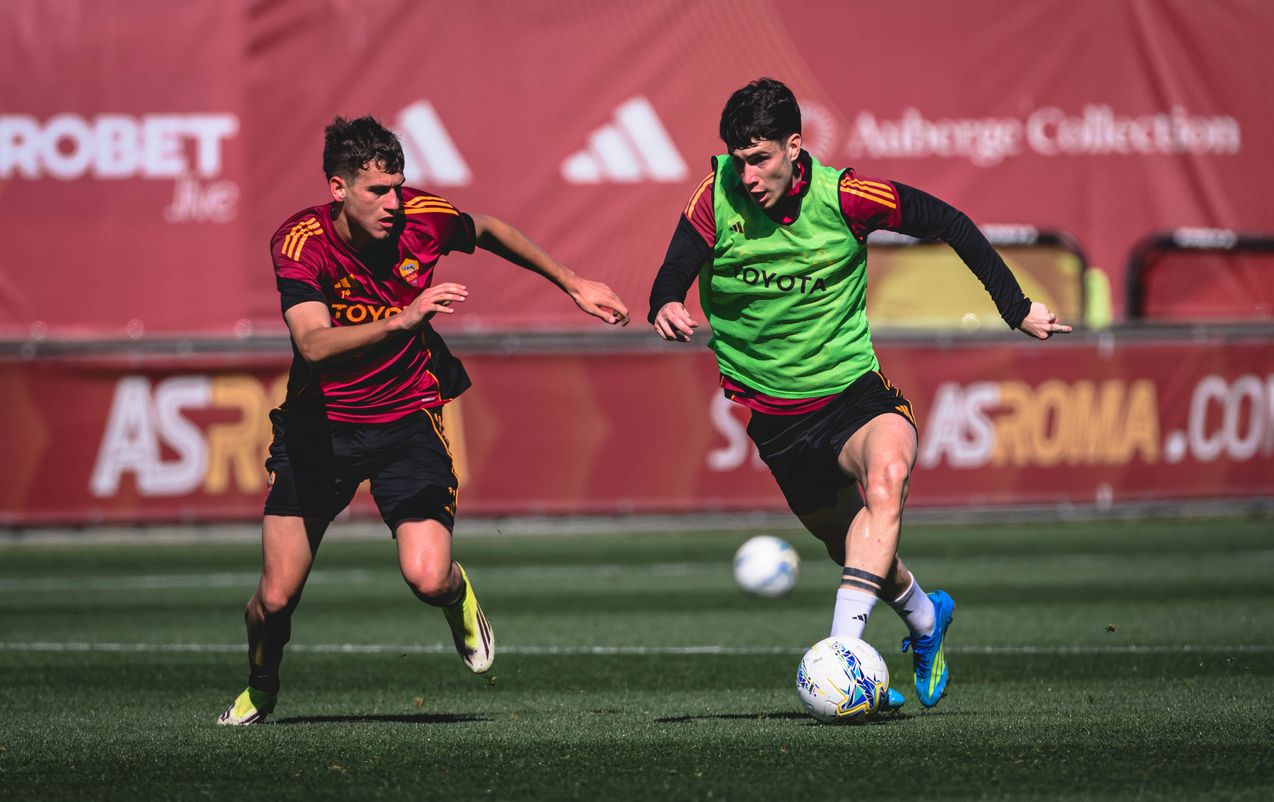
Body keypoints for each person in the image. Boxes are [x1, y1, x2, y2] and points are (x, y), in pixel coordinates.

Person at [649, 79, 1070, 710]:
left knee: (887, 477)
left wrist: (1014, 308)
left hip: (853, 395)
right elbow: (675, 268)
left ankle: (844, 658)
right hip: (778, 420)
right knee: (856, 549)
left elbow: (948, 222)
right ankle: (927, 618)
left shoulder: (848, 197)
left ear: (795, 146)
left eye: (760, 158)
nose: (749, 174)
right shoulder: (715, 199)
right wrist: (664, 303)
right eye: (739, 160)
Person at [218, 115, 629, 725]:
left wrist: (570, 282)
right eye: (376, 191)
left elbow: (488, 230)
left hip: (406, 417)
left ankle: (458, 597)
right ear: (338, 188)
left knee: (427, 577)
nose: (393, 203)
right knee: (273, 600)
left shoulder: (423, 216)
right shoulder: (299, 242)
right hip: (318, 431)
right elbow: (312, 344)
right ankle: (262, 682)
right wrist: (403, 319)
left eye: (397, 186)